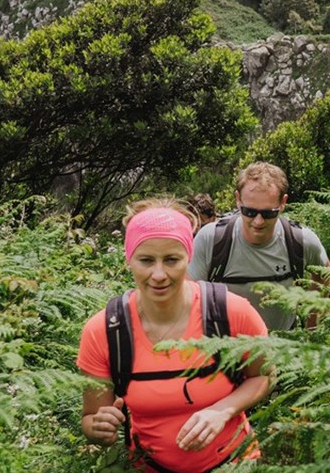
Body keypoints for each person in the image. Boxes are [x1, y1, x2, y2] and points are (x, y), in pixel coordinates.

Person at [79, 200, 271, 472]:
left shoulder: (230, 313)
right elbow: (90, 418)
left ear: (189, 258)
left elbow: (263, 376)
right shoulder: (105, 331)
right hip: (148, 466)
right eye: (146, 260)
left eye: (171, 259)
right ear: (129, 259)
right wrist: (98, 429)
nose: (159, 274)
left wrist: (224, 409)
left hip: (234, 464)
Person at [191, 163, 330, 332]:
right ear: (238, 199)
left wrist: (312, 326)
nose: (258, 221)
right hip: (225, 352)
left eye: (268, 213)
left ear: (283, 203)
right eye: (249, 212)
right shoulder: (211, 239)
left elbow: (326, 274)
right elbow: (189, 296)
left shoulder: (301, 240)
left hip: (282, 351)